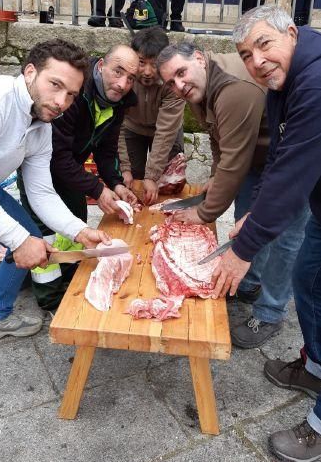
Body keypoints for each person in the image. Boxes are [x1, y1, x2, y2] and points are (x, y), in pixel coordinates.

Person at [209, 4, 321, 462]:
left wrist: (243, 249)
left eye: (264, 44)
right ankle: (315, 367)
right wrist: (253, 212)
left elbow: (294, 174)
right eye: (245, 53)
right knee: (307, 280)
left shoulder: (315, 82)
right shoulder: (284, 81)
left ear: (291, 33)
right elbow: (279, 157)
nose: (256, 60)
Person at [157, 41, 309, 348]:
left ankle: (269, 313)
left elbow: (234, 163)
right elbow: (218, 141)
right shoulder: (200, 86)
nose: (179, 85)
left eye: (181, 73)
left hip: (296, 158)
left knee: (285, 239)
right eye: (171, 82)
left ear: (199, 58)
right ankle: (250, 283)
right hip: (260, 156)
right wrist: (214, 176)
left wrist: (203, 213)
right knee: (245, 223)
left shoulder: (233, 90)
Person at [0, 39, 111, 341]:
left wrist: (79, 231)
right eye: (55, 85)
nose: (61, 102)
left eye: (71, 94)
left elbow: (41, 191)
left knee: (30, 236)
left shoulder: (43, 125)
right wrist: (17, 240)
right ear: (29, 72)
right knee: (22, 239)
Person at [19, 44, 139, 311]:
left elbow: (106, 151)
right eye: (117, 72)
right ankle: (49, 297)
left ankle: (71, 280)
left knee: (76, 227)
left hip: (72, 172)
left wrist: (116, 183)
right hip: (42, 171)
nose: (122, 84)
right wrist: (97, 189)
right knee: (45, 234)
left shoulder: (116, 104)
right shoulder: (73, 96)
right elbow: (57, 157)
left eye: (131, 78)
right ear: (100, 67)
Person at [118, 27, 185, 205]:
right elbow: (115, 125)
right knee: (132, 181)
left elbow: (165, 132)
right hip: (132, 128)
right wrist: (124, 167)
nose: (147, 72)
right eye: (141, 62)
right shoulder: (123, 80)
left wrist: (153, 175)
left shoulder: (174, 82)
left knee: (169, 185)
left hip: (166, 131)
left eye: (154, 64)